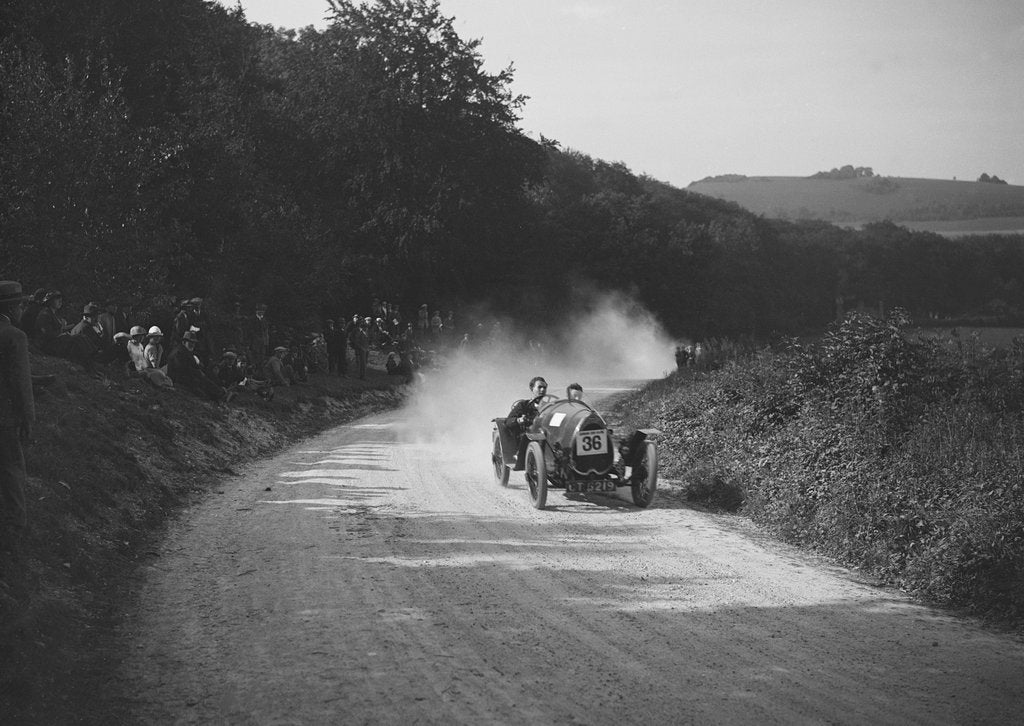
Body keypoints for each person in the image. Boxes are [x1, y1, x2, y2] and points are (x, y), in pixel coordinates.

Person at [0, 281, 34, 536]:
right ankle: (16, 523)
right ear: (11, 310)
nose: (23, 310)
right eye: (21, 305)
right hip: (6, 415)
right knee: (12, 466)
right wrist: (28, 418)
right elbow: (22, 382)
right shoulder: (14, 336)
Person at [167, 330, 232, 403]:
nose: (192, 345)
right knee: (200, 384)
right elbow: (182, 369)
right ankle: (220, 394)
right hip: (178, 378)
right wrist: (197, 373)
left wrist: (199, 371)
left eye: (194, 343)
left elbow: (193, 366)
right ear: (184, 342)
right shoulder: (179, 353)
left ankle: (221, 393)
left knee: (204, 376)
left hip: (187, 376)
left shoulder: (186, 351)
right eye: (190, 343)